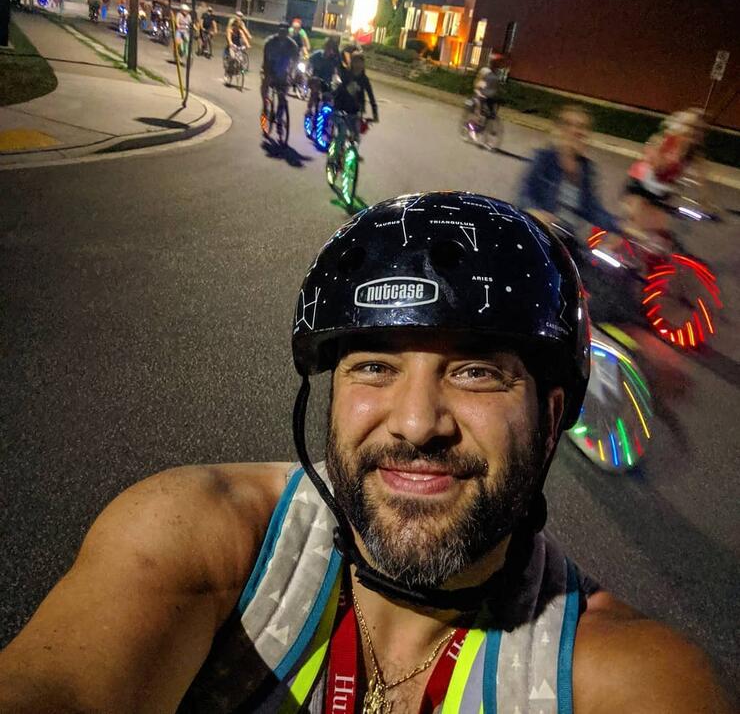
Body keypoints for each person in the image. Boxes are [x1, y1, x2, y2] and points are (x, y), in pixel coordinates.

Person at [0, 192, 729, 714]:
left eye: (475, 369)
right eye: (374, 365)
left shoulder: (624, 677)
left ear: (551, 419)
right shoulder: (199, 538)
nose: (415, 423)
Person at [518, 104, 619, 234]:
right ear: (559, 129)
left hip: (568, 239)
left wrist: (621, 226)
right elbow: (524, 194)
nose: (575, 131)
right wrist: (534, 212)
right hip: (540, 233)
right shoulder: (543, 159)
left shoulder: (586, 168)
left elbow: (592, 210)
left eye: (581, 127)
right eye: (569, 124)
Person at [623, 106, 707, 240]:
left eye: (696, 129)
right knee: (634, 227)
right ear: (679, 125)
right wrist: (663, 158)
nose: (691, 131)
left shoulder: (693, 153)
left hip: (662, 189)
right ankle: (607, 249)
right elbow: (653, 163)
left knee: (660, 233)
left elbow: (702, 178)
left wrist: (706, 201)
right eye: (688, 126)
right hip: (643, 183)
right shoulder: (668, 140)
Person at [332, 49, 379, 146]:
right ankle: (333, 156)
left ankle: (351, 157)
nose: (358, 65)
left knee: (356, 138)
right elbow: (339, 91)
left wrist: (375, 115)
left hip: (356, 112)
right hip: (341, 110)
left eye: (360, 62)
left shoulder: (364, 79)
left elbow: (371, 97)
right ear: (351, 63)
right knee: (342, 133)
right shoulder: (346, 75)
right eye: (355, 61)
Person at [261, 21, 300, 106]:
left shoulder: (292, 44)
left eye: (285, 32)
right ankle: (265, 103)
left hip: (284, 69)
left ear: (287, 33)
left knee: (284, 89)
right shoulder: (270, 41)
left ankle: (281, 108)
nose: (283, 34)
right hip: (271, 66)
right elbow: (266, 57)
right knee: (265, 82)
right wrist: (265, 70)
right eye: (281, 31)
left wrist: (293, 72)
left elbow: (296, 59)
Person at [307, 35, 341, 115]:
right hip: (315, 81)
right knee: (314, 93)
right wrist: (308, 74)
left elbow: (338, 72)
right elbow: (309, 66)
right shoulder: (317, 55)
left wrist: (338, 81)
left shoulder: (335, 59)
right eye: (327, 47)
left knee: (329, 99)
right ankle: (309, 109)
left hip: (327, 83)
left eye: (331, 48)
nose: (329, 50)